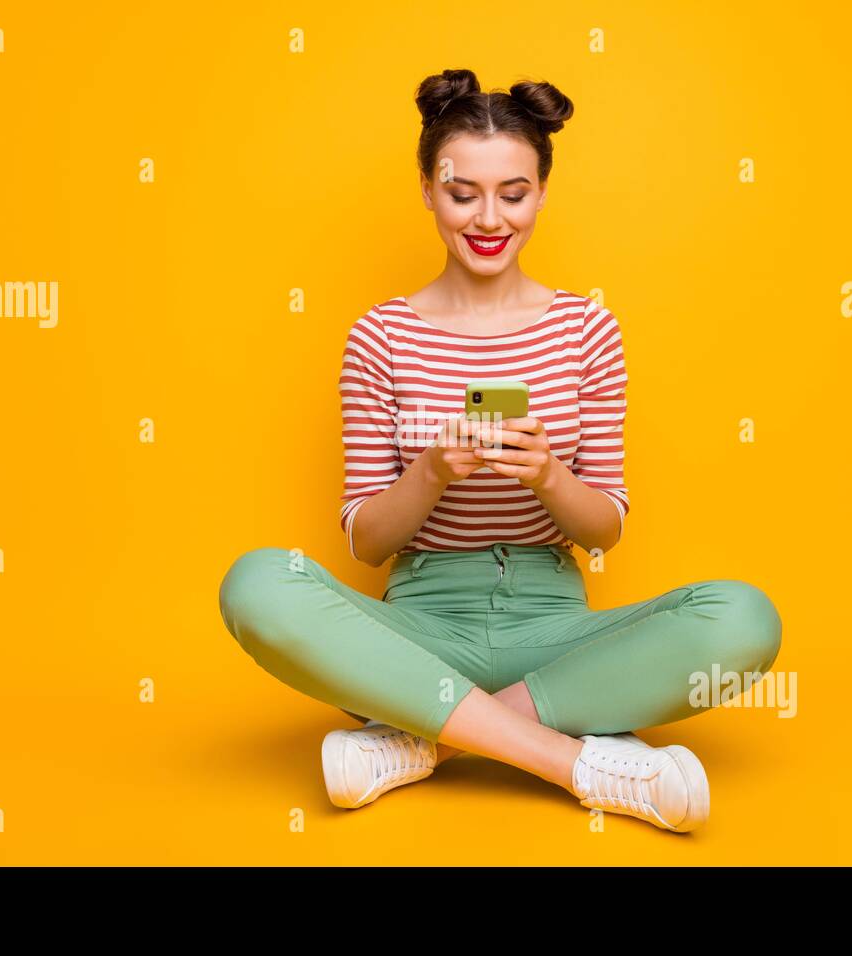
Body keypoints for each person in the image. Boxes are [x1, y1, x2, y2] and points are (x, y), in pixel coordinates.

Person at [219, 68, 781, 833]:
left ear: (542, 193)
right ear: (426, 188)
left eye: (513, 194)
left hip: (556, 640)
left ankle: (420, 742)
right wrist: (430, 472)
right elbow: (365, 540)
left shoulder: (587, 330)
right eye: (462, 193)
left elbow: (605, 528)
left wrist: (550, 475)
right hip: (415, 634)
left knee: (743, 619)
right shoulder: (380, 336)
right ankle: (579, 765)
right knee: (258, 584)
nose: (489, 217)